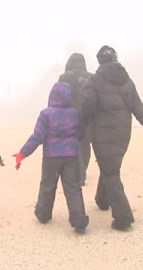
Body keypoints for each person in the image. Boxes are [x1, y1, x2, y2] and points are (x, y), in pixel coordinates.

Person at [81, 45, 143, 231]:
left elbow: (87, 108)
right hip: (123, 135)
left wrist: (80, 127)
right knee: (110, 167)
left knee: (110, 172)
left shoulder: (94, 81)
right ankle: (102, 200)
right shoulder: (127, 82)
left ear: (100, 60)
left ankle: (124, 219)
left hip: (102, 134)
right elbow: (138, 108)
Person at [13, 82, 89, 234]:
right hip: (71, 155)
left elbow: (37, 136)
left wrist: (23, 153)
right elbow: (81, 134)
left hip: (51, 157)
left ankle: (43, 214)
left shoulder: (46, 114)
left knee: (48, 185)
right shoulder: (75, 113)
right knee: (73, 187)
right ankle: (79, 219)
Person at [58, 53, 92, 186]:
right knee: (85, 144)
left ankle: (78, 172)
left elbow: (59, 95)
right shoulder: (90, 77)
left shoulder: (64, 77)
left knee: (73, 144)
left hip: (69, 116)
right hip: (86, 115)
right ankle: (84, 169)